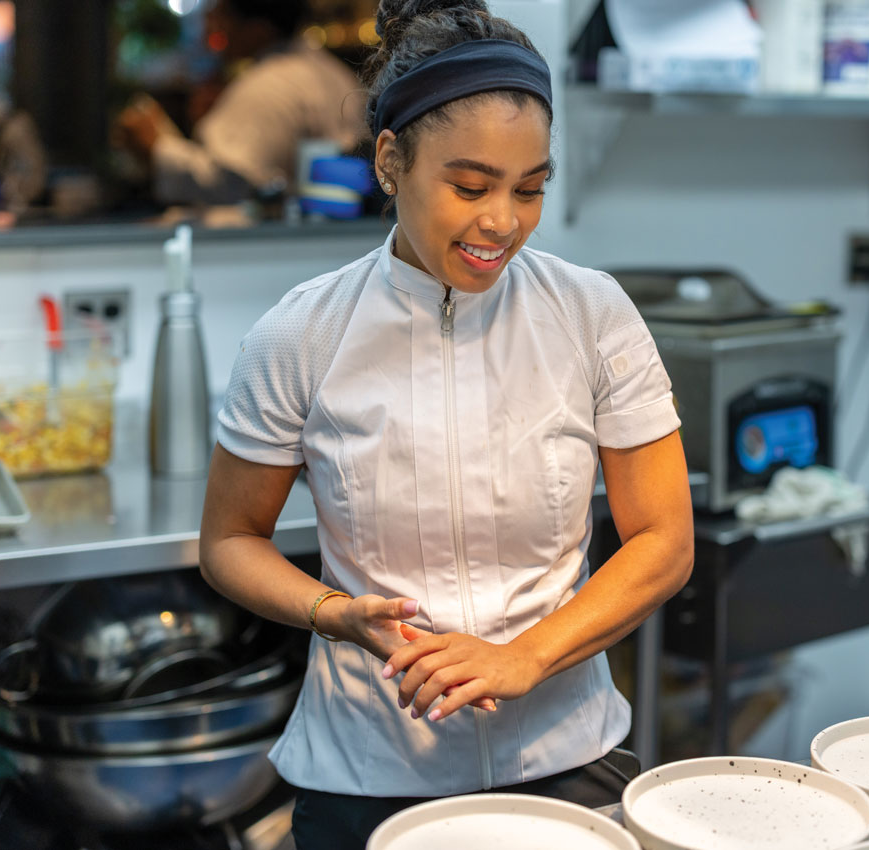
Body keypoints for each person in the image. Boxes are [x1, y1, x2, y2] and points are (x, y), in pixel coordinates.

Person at [197, 1, 695, 846]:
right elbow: (230, 542)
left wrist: (525, 656)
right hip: (368, 772)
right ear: (391, 160)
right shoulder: (301, 334)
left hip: (564, 758)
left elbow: (663, 541)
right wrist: (333, 612)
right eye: (470, 186)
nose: (502, 221)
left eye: (530, 189)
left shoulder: (592, 314)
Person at [116, 0, 365, 206]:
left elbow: (231, 184)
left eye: (222, 13)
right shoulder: (332, 71)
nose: (211, 23)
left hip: (282, 247)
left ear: (258, 29)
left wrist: (156, 147)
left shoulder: (269, 82)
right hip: (335, 235)